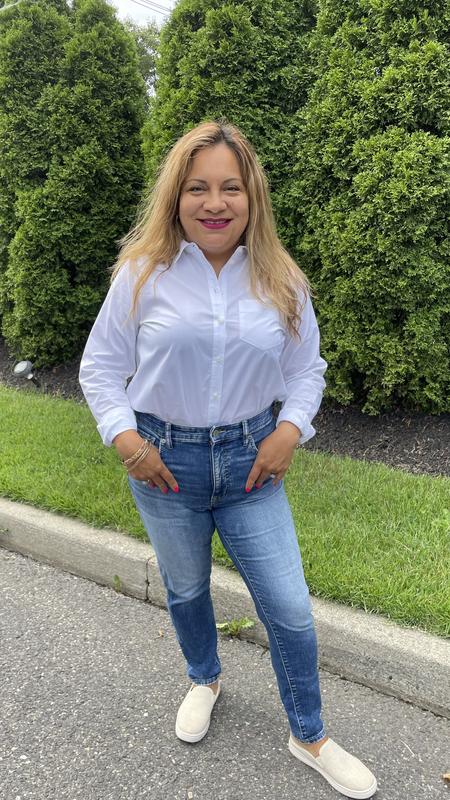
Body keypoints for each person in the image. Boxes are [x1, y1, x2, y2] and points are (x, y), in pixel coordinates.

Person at [78, 120, 377, 799]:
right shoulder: (141, 274)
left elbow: (307, 371)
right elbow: (100, 370)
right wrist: (125, 439)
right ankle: (204, 677)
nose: (215, 203)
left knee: (291, 609)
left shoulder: (281, 279)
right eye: (198, 188)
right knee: (185, 591)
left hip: (251, 467)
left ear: (253, 197)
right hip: (165, 465)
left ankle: (309, 735)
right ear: (175, 197)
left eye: (230, 188)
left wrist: (290, 430)